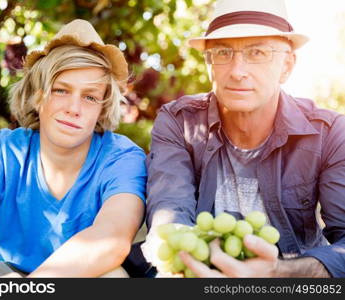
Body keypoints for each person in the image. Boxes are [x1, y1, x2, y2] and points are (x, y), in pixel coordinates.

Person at [0, 19, 146, 278]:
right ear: (37, 95)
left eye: (90, 97)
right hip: (4, 276)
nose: (74, 109)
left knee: (113, 276)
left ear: (102, 107)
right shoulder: (4, 151)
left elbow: (111, 239)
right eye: (61, 90)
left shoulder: (122, 158)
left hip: (78, 277)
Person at [142, 0, 345, 278]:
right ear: (209, 63)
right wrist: (181, 257)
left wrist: (278, 274)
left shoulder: (330, 133)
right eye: (223, 52)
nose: (237, 71)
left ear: (286, 65)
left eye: (258, 52)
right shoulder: (179, 122)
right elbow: (171, 208)